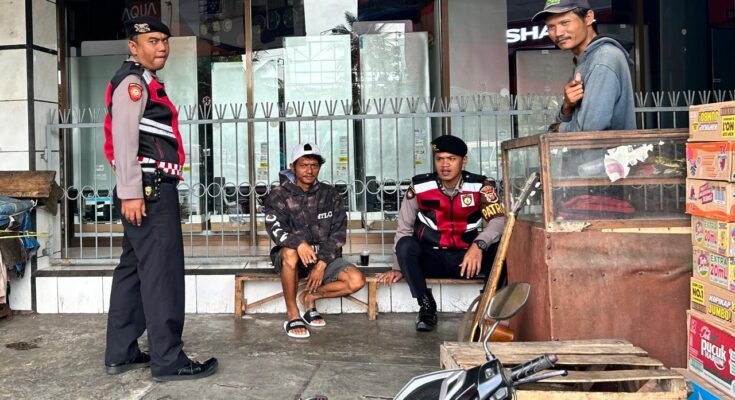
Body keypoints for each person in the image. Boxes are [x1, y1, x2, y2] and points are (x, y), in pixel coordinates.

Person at [103, 16, 217, 381]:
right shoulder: (133, 83)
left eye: (164, 40)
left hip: (145, 190)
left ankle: (121, 352)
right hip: (148, 192)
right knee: (162, 274)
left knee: (133, 273)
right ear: (133, 47)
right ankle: (169, 360)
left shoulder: (143, 80)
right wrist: (131, 192)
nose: (162, 47)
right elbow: (124, 140)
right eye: (152, 40)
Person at [376, 136, 507, 332]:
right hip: (431, 258)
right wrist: (398, 266)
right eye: (439, 159)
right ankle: (426, 306)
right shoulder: (419, 186)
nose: (445, 165)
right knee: (405, 244)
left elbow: (498, 220)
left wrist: (478, 245)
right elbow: (404, 228)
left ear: (464, 160)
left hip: (466, 260)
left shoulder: (480, 186)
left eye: (451, 159)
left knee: (500, 250)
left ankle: (487, 308)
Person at [264, 143, 366, 338]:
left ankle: (310, 297)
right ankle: (293, 313)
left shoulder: (330, 194)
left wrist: (321, 264)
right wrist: (299, 243)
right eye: (303, 165)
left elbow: (338, 233)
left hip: (323, 257)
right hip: (291, 259)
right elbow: (275, 228)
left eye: (314, 165)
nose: (309, 171)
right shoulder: (278, 195)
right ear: (293, 167)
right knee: (290, 253)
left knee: (356, 280)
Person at [533, 0, 636, 133]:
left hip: (607, 148)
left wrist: (558, 129)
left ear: (588, 18)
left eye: (565, 22)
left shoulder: (603, 58)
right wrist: (567, 107)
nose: (558, 33)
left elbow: (590, 129)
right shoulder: (584, 60)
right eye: (551, 27)